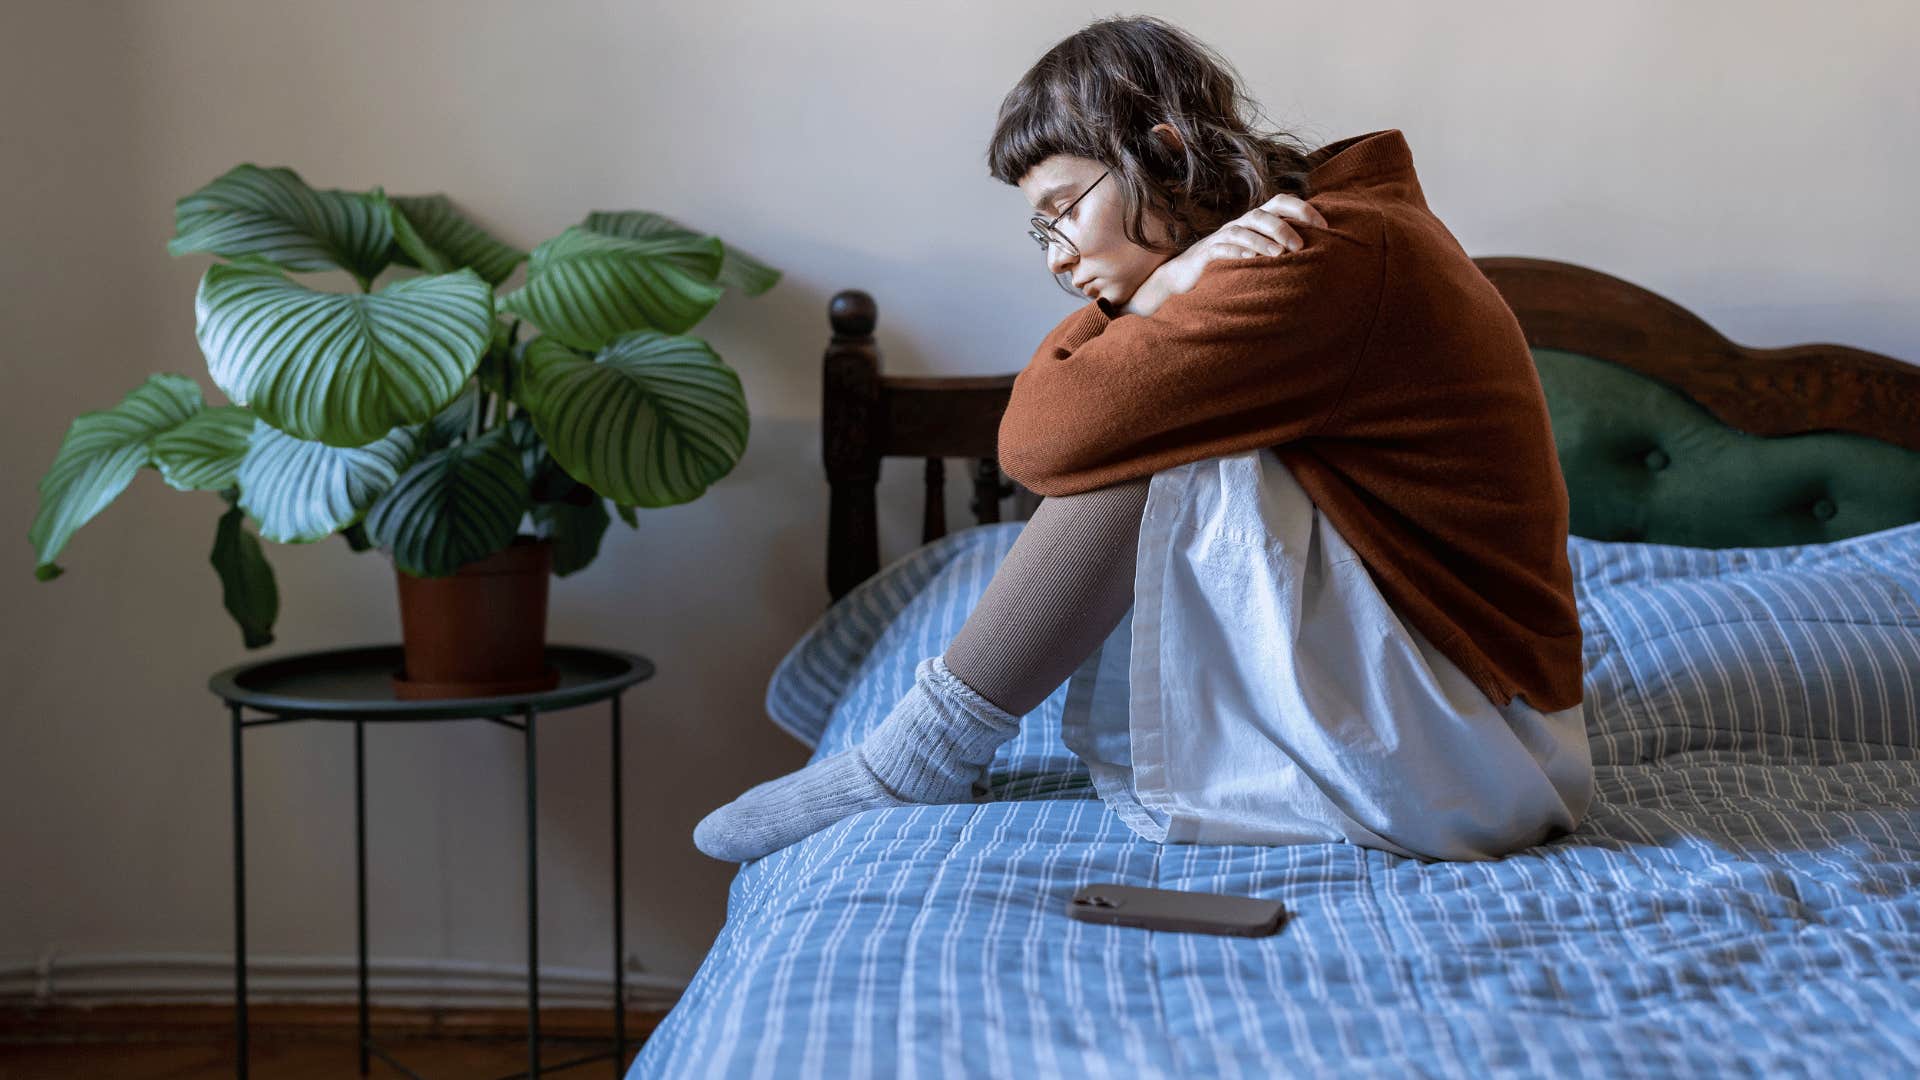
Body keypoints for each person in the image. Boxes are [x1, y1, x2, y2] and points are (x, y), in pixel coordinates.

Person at [693, 15, 1593, 864]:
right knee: (1154, 421)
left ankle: (920, 754)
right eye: (1037, 230)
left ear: (1163, 153)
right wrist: (1164, 292)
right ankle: (925, 748)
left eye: (1062, 210)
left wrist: (1158, 298)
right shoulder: (1332, 232)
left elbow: (1041, 442)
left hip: (1461, 761)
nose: (1055, 256)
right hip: (1474, 733)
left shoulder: (1316, 253)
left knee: (1159, 446)